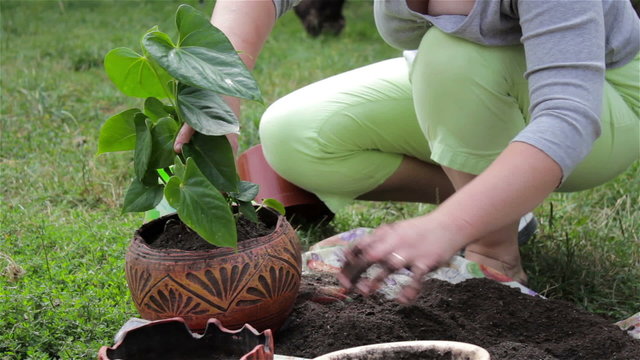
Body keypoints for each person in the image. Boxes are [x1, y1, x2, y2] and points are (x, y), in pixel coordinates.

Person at [174, 0, 640, 303]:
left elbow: (568, 117)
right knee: (293, 134)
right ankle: (502, 207)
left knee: (451, 54)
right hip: (467, 85)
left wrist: (447, 225)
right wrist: (219, 94)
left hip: (604, 102)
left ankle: (494, 253)